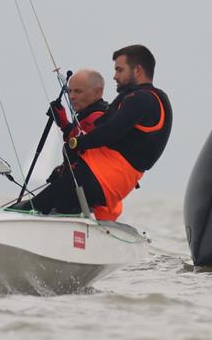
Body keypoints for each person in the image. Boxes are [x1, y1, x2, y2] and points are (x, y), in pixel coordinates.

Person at [16, 45, 172, 221]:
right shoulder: (134, 98)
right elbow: (97, 130)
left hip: (103, 177)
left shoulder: (144, 98)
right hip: (102, 177)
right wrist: (67, 127)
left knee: (30, 208)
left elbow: (109, 132)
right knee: (50, 209)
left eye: (119, 70)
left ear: (137, 71)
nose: (114, 76)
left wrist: (75, 143)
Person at [44, 69, 108, 183]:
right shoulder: (86, 117)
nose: (71, 96)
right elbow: (77, 140)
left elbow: (84, 160)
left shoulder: (96, 119)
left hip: (89, 194)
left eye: (78, 92)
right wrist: (64, 123)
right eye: (70, 91)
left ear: (97, 93)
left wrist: (64, 173)